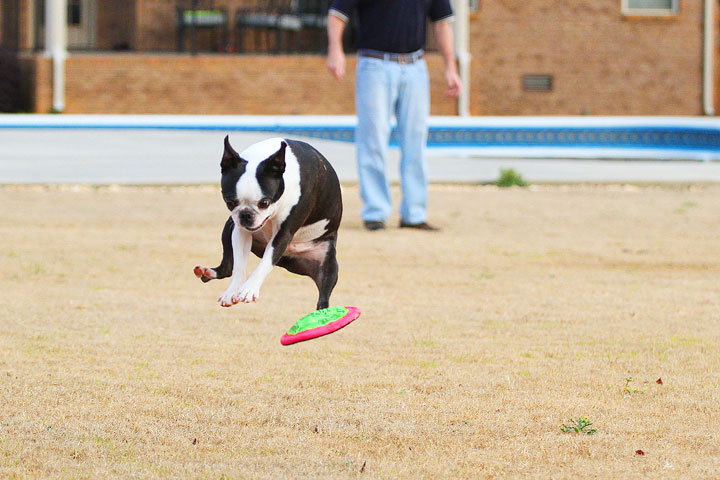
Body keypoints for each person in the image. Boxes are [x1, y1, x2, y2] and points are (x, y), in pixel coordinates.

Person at [326, 0, 462, 231]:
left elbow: (442, 24)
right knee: (373, 140)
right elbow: (337, 15)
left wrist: (450, 66)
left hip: (416, 67)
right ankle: (375, 212)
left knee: (415, 142)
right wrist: (335, 50)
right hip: (375, 65)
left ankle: (414, 214)